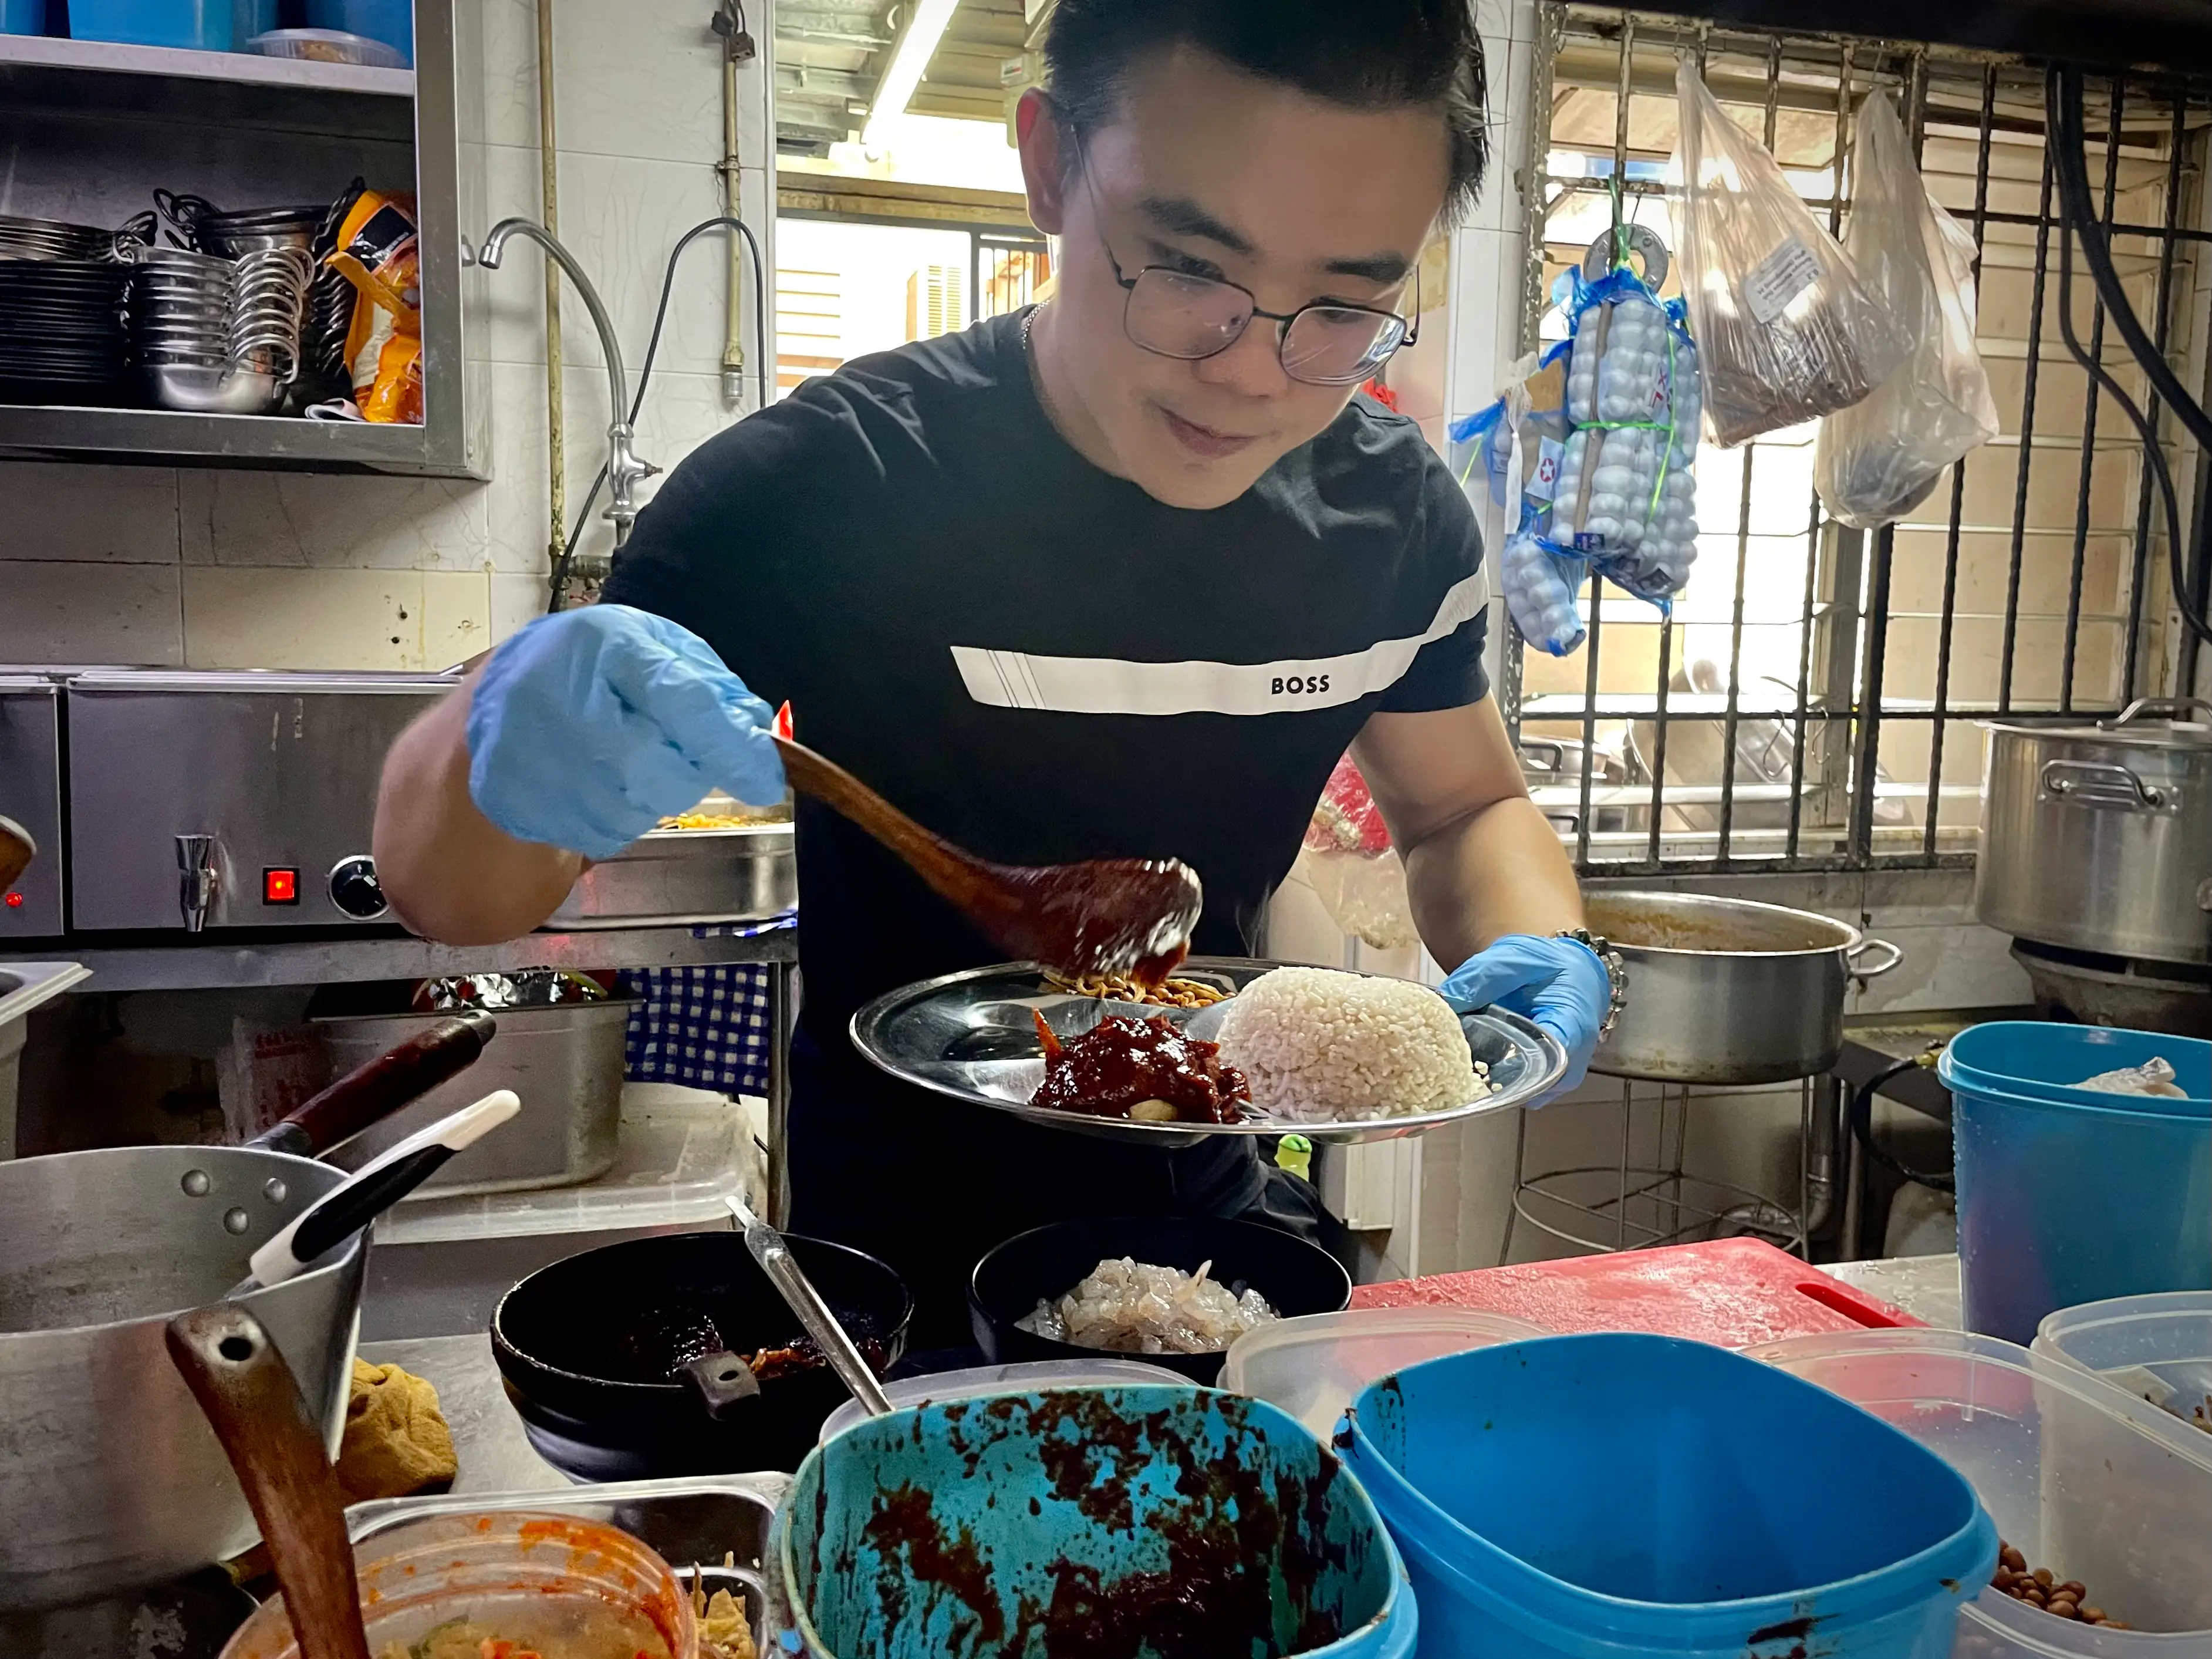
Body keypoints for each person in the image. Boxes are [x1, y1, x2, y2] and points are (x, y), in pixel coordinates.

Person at [373, 0, 1616, 1340]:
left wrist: (1541, 942)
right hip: (887, 1285)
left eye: (1344, 304)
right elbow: (451, 892)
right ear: (1047, 167)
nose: (1255, 368)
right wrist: (504, 737)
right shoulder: (821, 489)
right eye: (1189, 268)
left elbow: (1462, 808)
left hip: (1217, 1249)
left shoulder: (1400, 523)